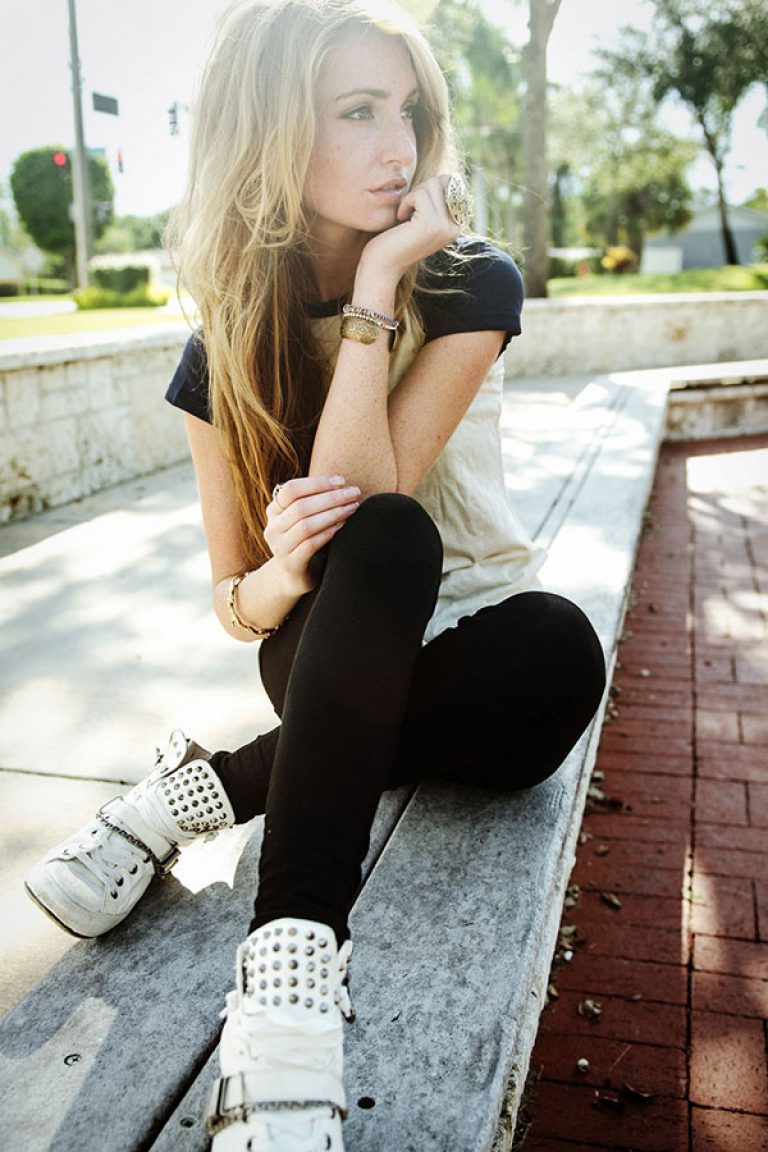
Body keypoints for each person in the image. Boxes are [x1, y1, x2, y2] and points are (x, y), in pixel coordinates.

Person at [25, 0, 606, 1147]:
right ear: (272, 134)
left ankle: (201, 792)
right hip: (325, 643)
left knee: (558, 645)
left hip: (487, 654)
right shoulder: (223, 350)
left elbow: (375, 486)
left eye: (410, 112)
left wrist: (380, 282)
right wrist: (287, 574)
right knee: (379, 545)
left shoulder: (466, 284)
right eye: (358, 112)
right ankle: (287, 998)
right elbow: (241, 598)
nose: (402, 147)